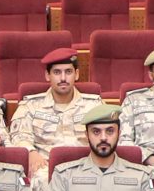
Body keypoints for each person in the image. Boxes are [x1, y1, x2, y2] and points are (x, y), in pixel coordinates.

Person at [9, 46, 103, 182]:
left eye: (68, 72)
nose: (63, 78)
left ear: (76, 74)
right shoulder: (30, 106)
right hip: (46, 166)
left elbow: (107, 136)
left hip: (87, 164)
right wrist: (31, 152)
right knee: (40, 179)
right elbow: (18, 135)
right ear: (48, 75)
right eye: (57, 72)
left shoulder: (94, 105)